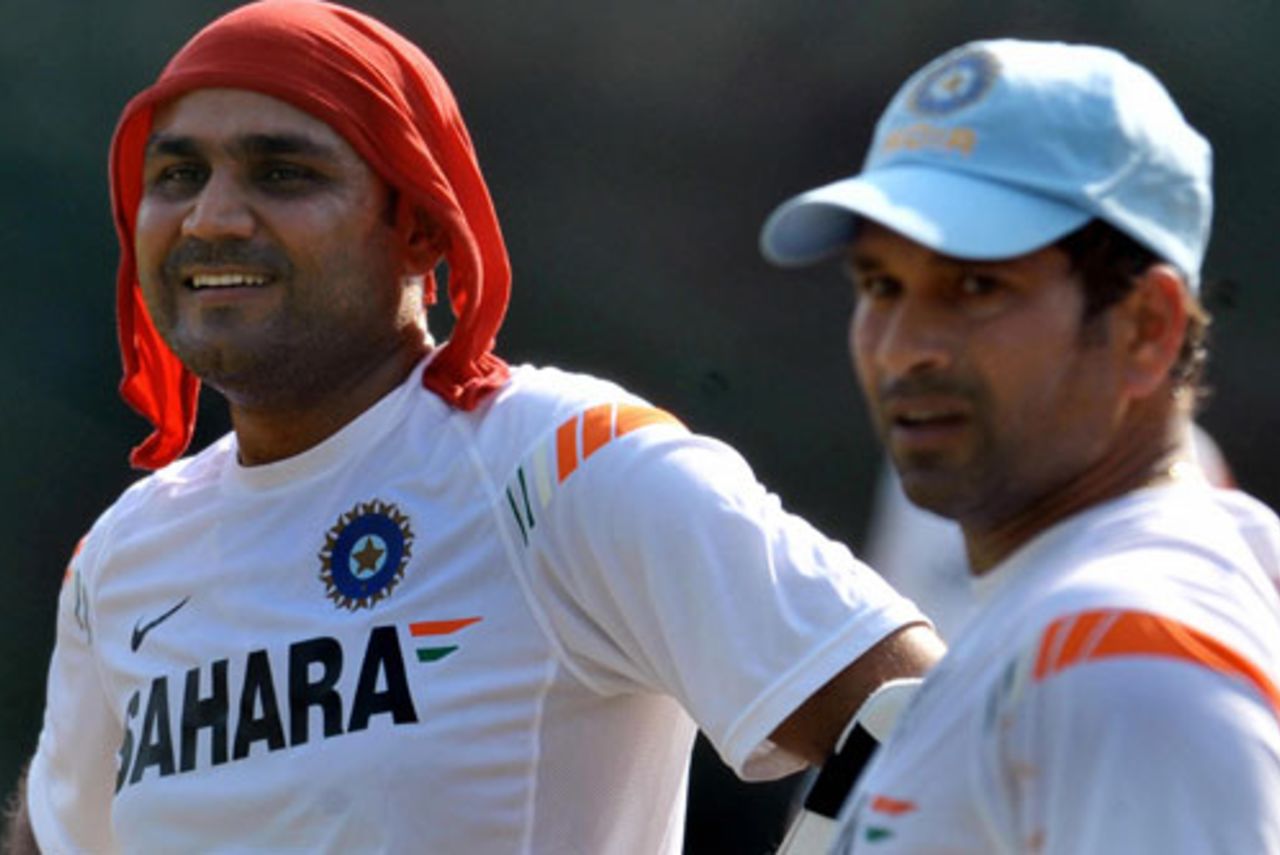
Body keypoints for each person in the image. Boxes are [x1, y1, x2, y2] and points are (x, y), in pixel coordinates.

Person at [1, 2, 946, 853]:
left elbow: (949, 737)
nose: (210, 217)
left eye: (282, 171)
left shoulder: (562, 463)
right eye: (176, 174)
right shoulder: (123, 556)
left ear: (420, 226)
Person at [760, 38, 1280, 852]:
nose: (902, 347)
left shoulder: (1132, 664)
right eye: (881, 284)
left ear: (1148, 326)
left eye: (976, 285)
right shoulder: (1091, 628)